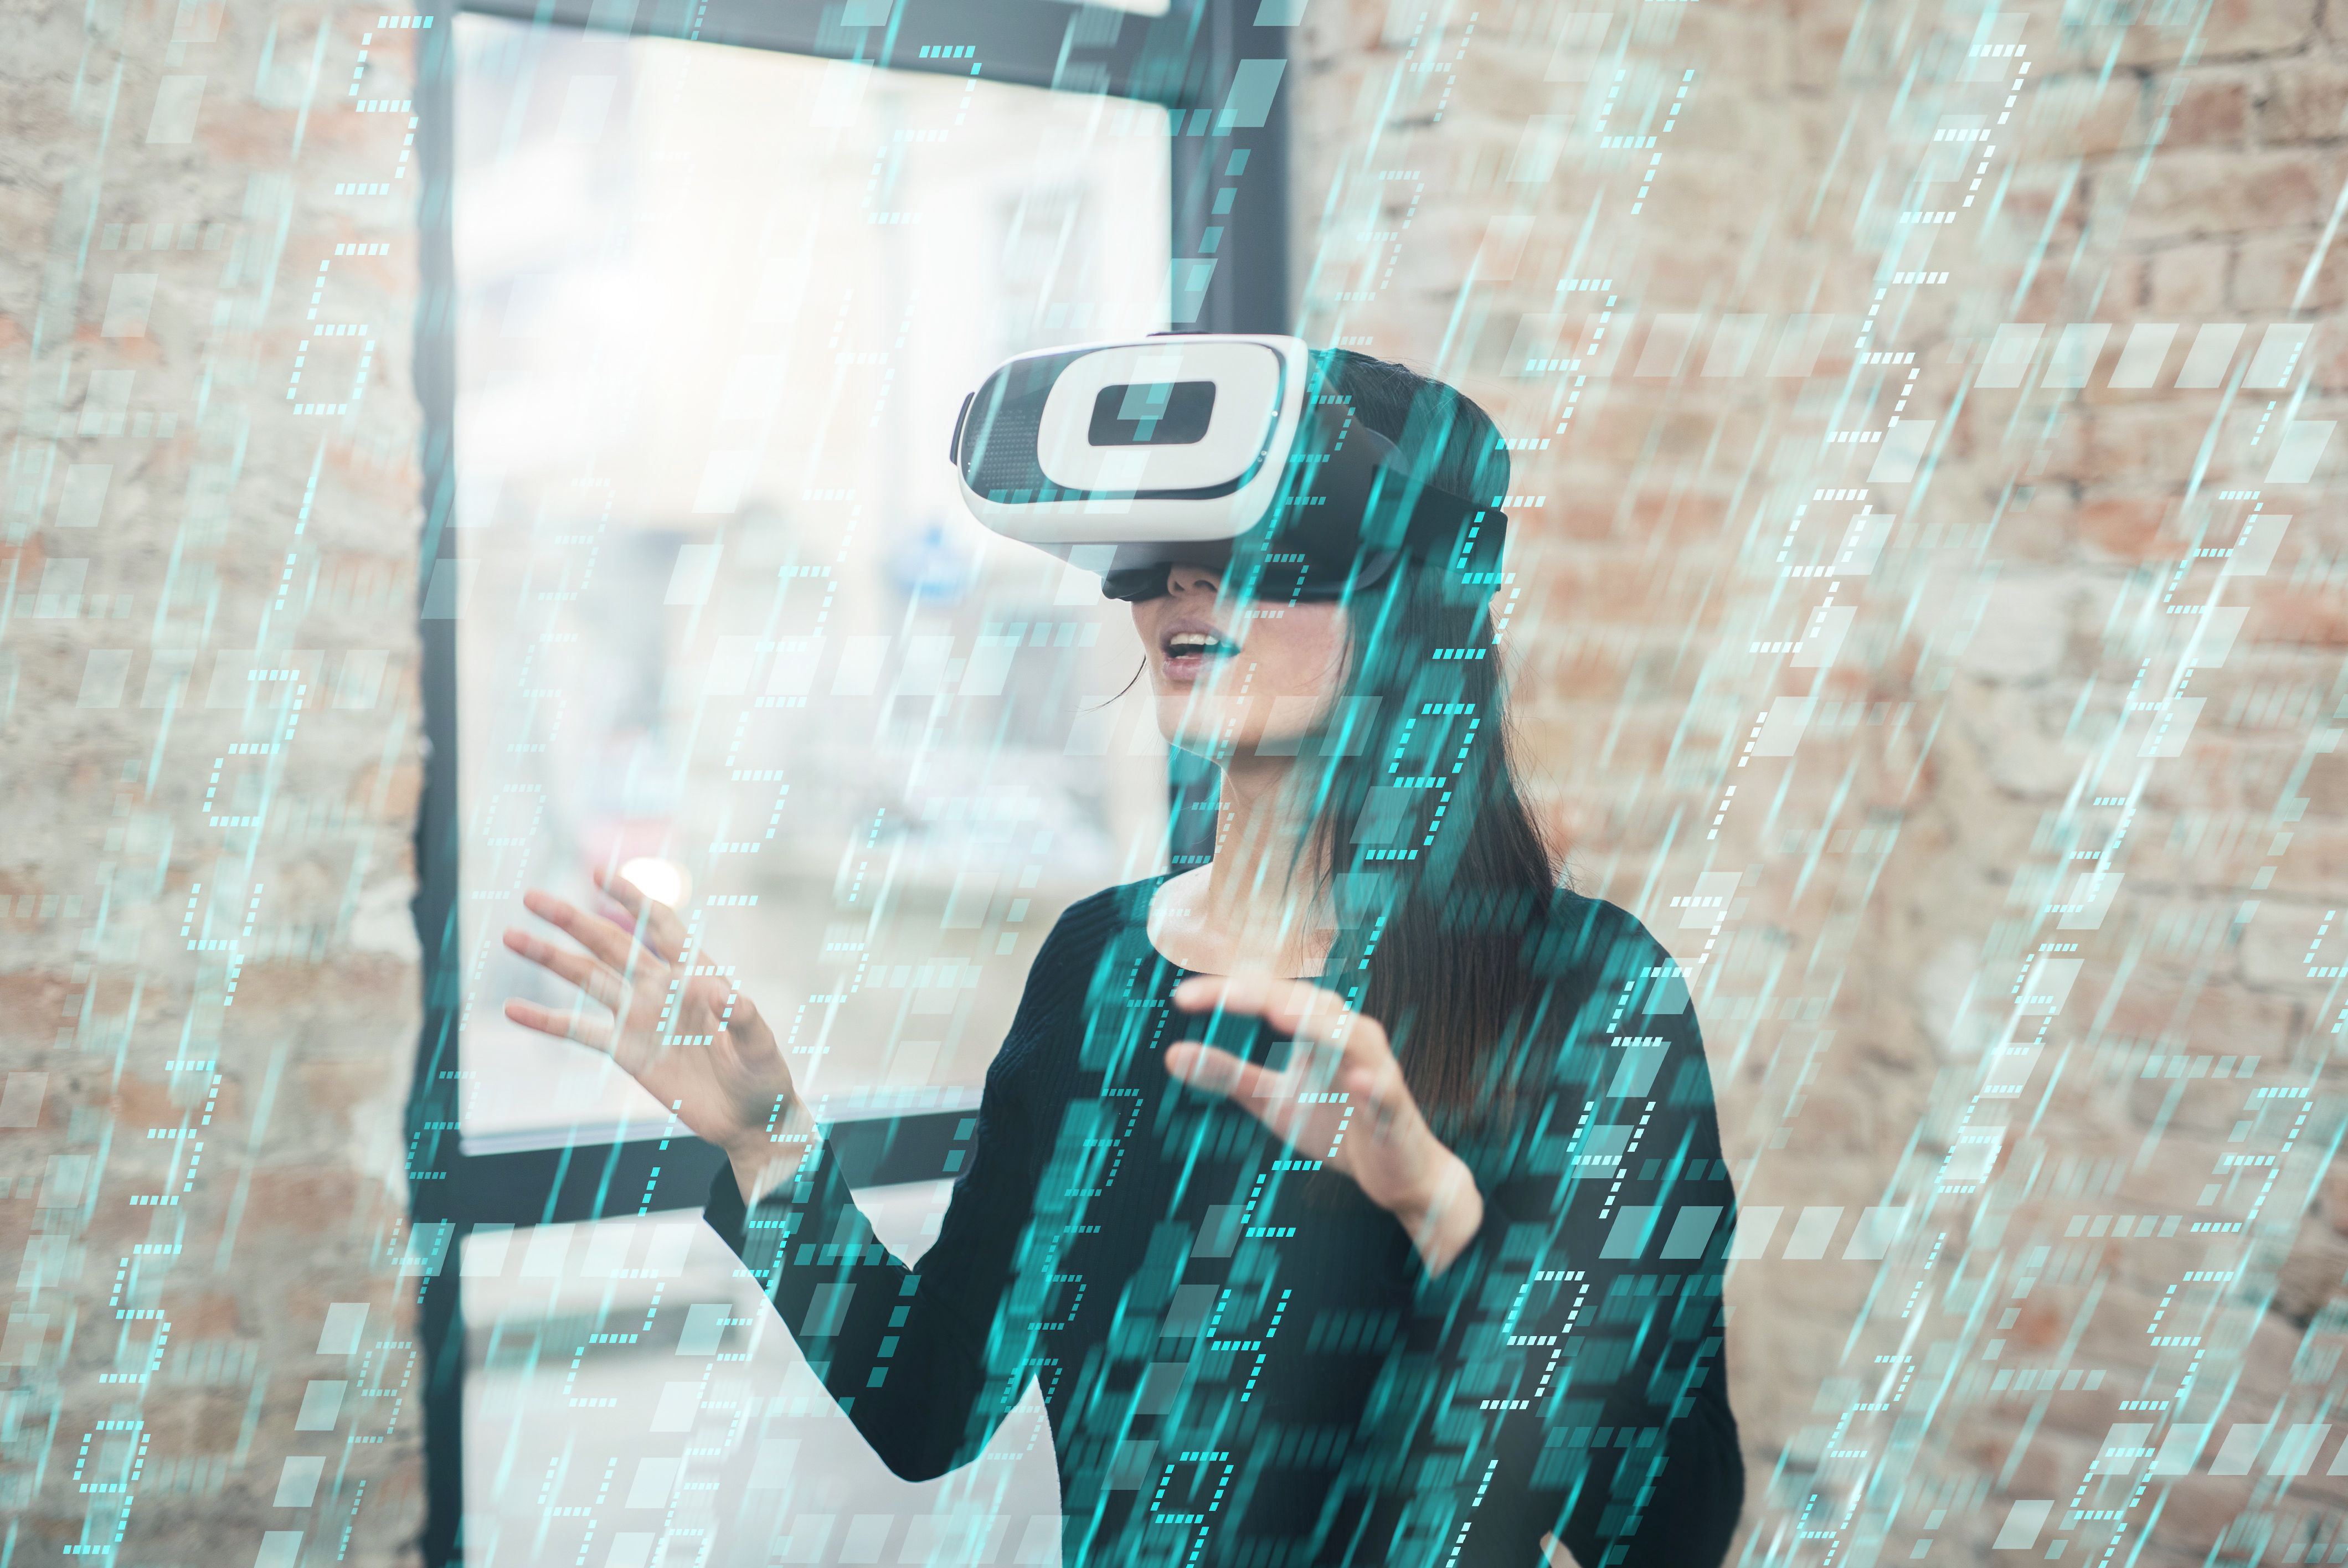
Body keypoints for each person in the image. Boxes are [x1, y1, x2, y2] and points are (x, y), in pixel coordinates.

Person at [501, 349, 1745, 1566]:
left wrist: (1441, 1208)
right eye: (1153, 557)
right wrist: (771, 1150)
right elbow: (931, 1409)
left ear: (1412, 601)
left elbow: (1669, 1527)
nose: (1183, 586)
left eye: (1267, 549)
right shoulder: (1096, 966)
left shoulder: (1587, 992)